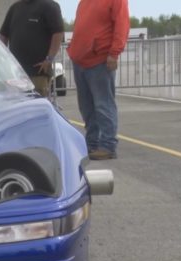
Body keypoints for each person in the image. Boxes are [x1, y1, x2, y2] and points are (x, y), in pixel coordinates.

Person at [68, 0, 130, 160]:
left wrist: (114, 53)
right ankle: (92, 144)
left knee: (104, 104)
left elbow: (122, 26)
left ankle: (108, 146)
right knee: (86, 107)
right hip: (80, 60)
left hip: (100, 60)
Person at [0, 0, 64, 97]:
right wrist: (1, 58)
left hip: (37, 73)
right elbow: (3, 35)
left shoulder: (49, 6)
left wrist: (49, 59)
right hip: (15, 74)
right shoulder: (14, 8)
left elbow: (58, 33)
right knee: (16, 107)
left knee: (36, 105)